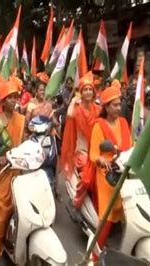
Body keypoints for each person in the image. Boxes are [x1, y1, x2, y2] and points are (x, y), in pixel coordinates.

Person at [82, 84, 132, 262]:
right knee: (107, 218)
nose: (119, 108)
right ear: (107, 107)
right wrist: (102, 160)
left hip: (124, 173)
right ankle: (93, 256)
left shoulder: (125, 123)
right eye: (115, 105)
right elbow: (94, 154)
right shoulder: (99, 126)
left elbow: (131, 146)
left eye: (120, 104)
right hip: (106, 176)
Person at [0, 82, 25, 264]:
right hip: (3, 170)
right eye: (10, 97)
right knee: (3, 211)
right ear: (3, 100)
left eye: (15, 97)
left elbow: (24, 142)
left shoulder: (21, 119)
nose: (13, 100)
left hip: (20, 168)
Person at [60, 72, 101, 209]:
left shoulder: (98, 109)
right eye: (85, 89)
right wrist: (72, 101)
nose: (88, 92)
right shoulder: (77, 110)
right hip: (82, 151)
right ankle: (77, 202)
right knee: (87, 178)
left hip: (97, 150)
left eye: (90, 89)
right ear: (81, 92)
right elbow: (69, 115)